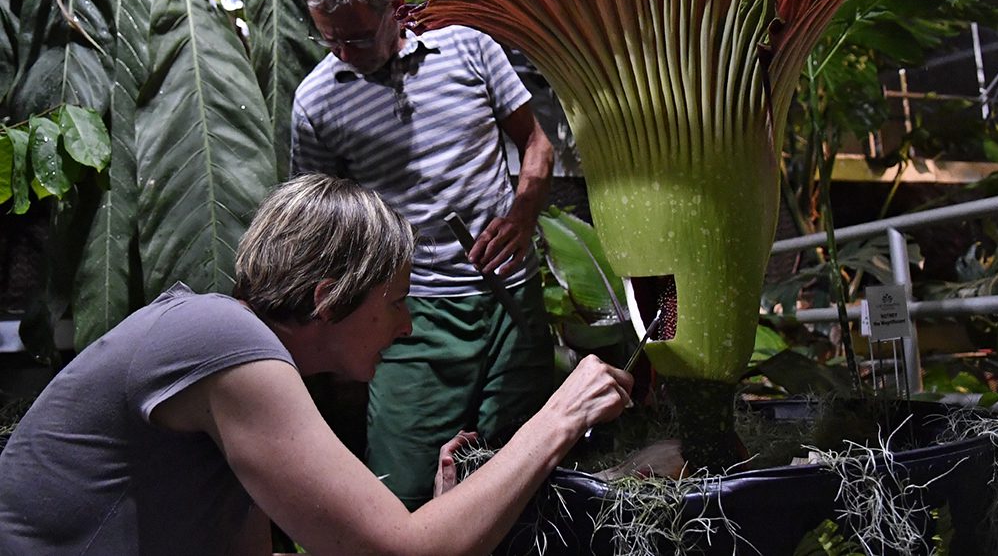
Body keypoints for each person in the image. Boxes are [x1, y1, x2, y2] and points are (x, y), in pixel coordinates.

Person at [0, 174, 633, 555]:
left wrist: (450, 509)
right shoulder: (218, 338)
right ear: (330, 298)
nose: (409, 323)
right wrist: (561, 415)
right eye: (396, 301)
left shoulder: (224, 346)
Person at [292, 0, 557, 509]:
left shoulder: (470, 49)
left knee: (521, 469)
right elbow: (321, 221)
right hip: (412, 316)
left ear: (396, 3)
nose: (343, 51)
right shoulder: (316, 101)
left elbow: (536, 143)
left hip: (512, 300)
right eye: (329, 37)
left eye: (357, 36)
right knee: (403, 488)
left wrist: (520, 216)